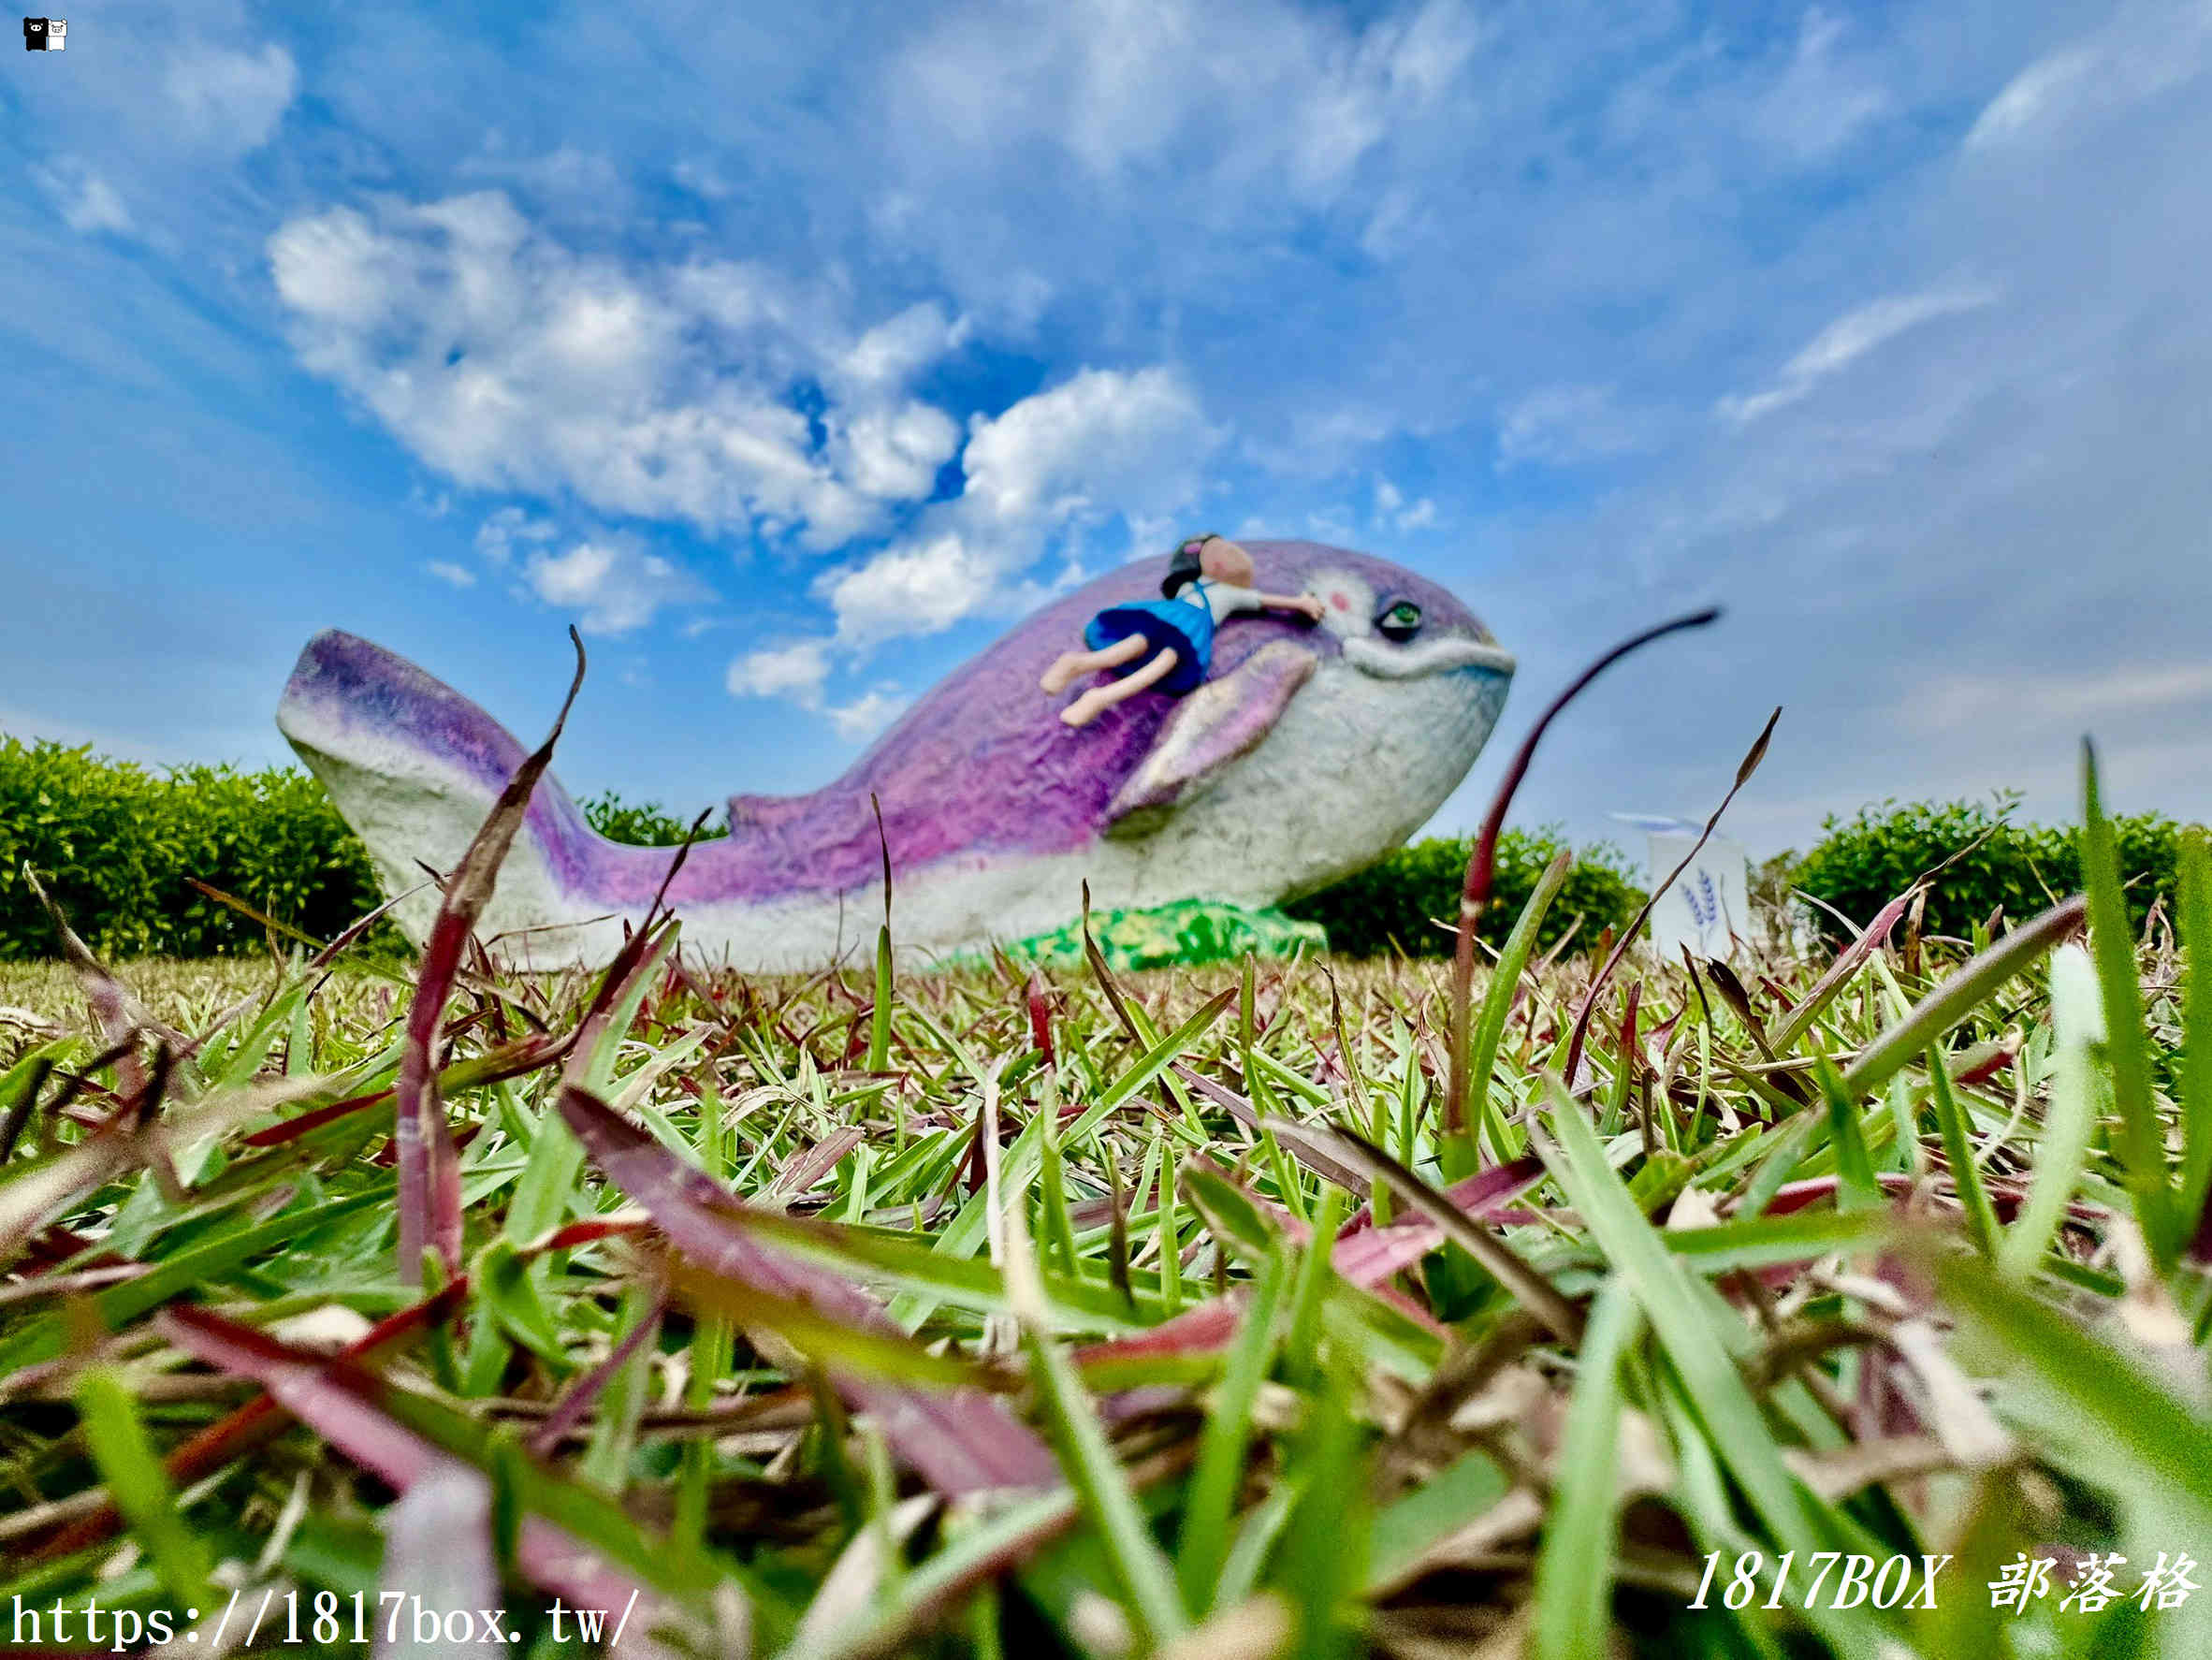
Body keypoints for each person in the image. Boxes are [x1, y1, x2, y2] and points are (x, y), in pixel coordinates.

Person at [1041, 533, 1325, 727]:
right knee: (1141, 647)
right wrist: (1301, 602)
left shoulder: (1230, 593)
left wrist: (1301, 603)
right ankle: (1076, 665)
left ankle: (1097, 695)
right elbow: (1265, 599)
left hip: (1183, 622)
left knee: (1158, 656)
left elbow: (1266, 601)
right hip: (1180, 619)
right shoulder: (1200, 585)